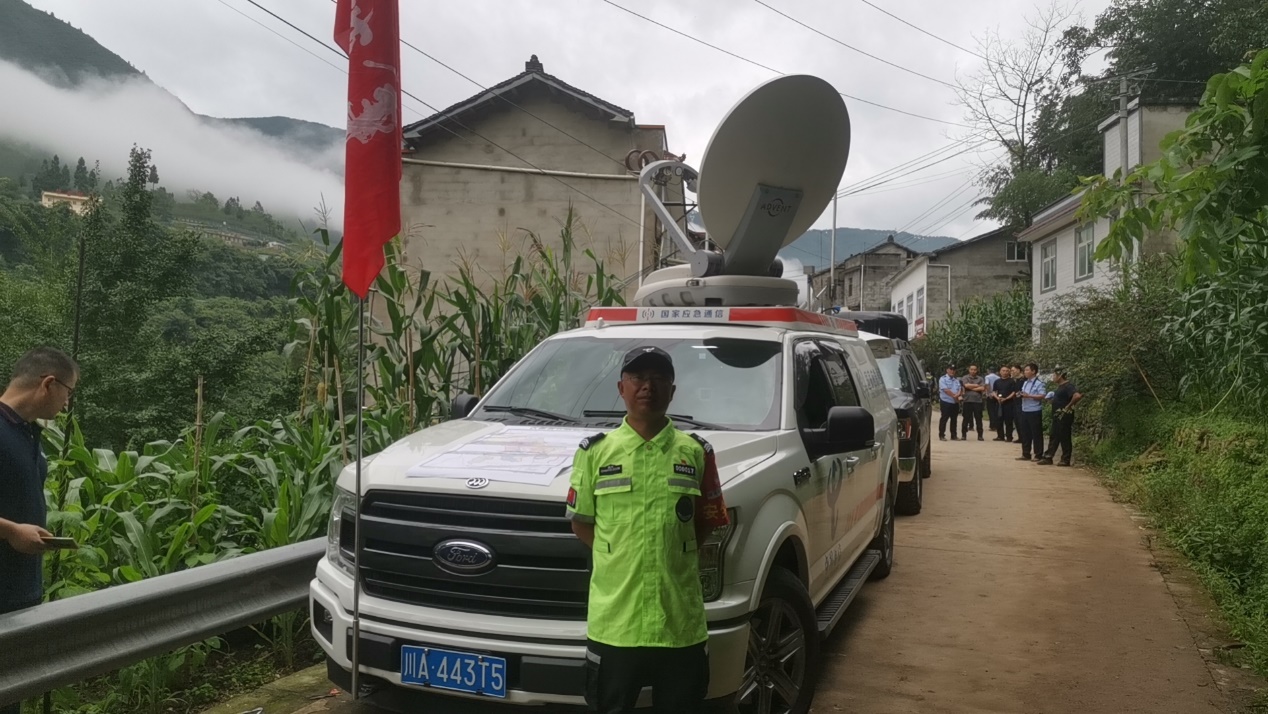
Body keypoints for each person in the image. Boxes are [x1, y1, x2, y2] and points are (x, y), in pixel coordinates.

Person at [566, 345, 730, 713]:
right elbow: (581, 523)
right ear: (621, 387)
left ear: (672, 390)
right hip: (616, 624)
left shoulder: (696, 452)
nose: (648, 387)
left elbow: (709, 519)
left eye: (659, 379)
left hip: (679, 622)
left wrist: (674, 549)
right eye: (638, 377)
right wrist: (619, 553)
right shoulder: (595, 452)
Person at [1, 347, 78, 714]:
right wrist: (11, 530)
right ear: (48, 384)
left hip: (18, 594)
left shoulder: (28, 433)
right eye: (68, 392)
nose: (67, 402)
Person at [1039, 367, 1082, 466]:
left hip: (1064, 416)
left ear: (1060, 376)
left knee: (1064, 436)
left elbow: (1077, 396)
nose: (1053, 378)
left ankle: (1065, 459)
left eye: (1054, 375)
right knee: (1054, 435)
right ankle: (1048, 456)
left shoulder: (1068, 386)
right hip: (1057, 415)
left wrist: (1068, 406)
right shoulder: (1060, 387)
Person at [1017, 363, 1046, 461]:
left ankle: (1038, 454)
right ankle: (1026, 453)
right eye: (1024, 370)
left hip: (1034, 410)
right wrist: (1020, 394)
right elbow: (1024, 393)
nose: (1025, 372)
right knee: (1025, 433)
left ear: (1033, 371)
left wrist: (1029, 396)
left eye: (1027, 370)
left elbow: (1042, 396)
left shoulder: (1039, 383)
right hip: (1025, 409)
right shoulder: (1025, 382)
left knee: (1036, 433)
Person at [960, 364, 987, 441]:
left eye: (975, 369)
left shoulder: (980, 378)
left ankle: (980, 435)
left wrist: (971, 388)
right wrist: (976, 385)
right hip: (967, 401)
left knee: (978, 419)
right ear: (969, 370)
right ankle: (963, 435)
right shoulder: (965, 377)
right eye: (971, 369)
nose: (973, 371)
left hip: (978, 401)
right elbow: (966, 385)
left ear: (977, 370)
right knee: (966, 418)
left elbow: (982, 388)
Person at [937, 365, 963, 441]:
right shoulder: (943, 379)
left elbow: (960, 389)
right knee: (944, 418)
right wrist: (954, 396)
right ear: (947, 370)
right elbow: (945, 390)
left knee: (954, 419)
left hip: (955, 402)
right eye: (951, 369)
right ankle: (942, 435)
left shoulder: (956, 380)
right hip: (946, 401)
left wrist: (958, 394)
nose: (952, 371)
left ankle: (953, 435)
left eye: (954, 369)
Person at [991, 366, 1017, 442]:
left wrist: (1006, 398)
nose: (1005, 372)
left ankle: (1009, 436)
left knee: (1008, 421)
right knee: (999, 420)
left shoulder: (1012, 381)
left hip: (1009, 403)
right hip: (999, 403)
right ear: (1000, 372)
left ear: (1008, 372)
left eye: (1006, 371)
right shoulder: (997, 381)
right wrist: (997, 398)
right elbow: (994, 391)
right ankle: (1000, 436)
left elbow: (1013, 392)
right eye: (1003, 370)